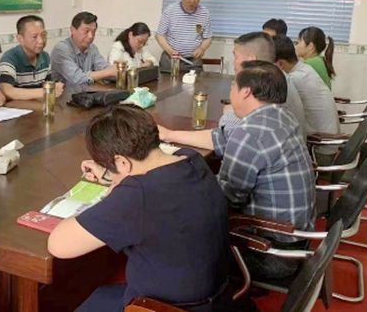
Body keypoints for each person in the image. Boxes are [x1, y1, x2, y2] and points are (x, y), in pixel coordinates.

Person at [48, 105, 232, 312]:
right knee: (102, 294)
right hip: (215, 295)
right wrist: (111, 175)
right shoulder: (192, 159)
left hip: (162, 307)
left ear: (122, 162)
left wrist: (116, 191)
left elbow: (58, 245)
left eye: (111, 167)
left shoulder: (138, 195)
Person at [158, 61, 315, 281]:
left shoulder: (251, 133)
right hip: (295, 241)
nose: (230, 92)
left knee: (172, 230)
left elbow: (225, 199)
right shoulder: (280, 116)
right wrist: (169, 135)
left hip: (270, 254)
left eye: (233, 86)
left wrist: (174, 178)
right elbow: (222, 139)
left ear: (246, 92)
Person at [220, 32, 307, 135]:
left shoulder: (265, 83)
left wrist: (230, 112)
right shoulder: (277, 76)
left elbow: (229, 131)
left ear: (251, 60)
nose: (233, 62)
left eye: (236, 56)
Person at [274, 35, 339, 135]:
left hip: (320, 139)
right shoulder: (306, 69)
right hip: (328, 133)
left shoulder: (293, 79)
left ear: (280, 64)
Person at [0, 15, 64, 100]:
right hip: (17, 107)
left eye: (43, 35)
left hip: (37, 105)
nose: (41, 41)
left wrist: (56, 87)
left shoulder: (45, 56)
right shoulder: (9, 58)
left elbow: (49, 84)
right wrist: (46, 91)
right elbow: (7, 91)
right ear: (20, 39)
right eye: (34, 37)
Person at [156, 0, 212, 73]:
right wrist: (170, 51)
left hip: (193, 61)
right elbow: (159, 35)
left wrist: (202, 48)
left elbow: (208, 38)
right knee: (165, 82)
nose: (192, 0)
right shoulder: (170, 11)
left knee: (197, 82)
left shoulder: (205, 13)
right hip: (170, 59)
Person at [51, 12, 117, 86]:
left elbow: (103, 67)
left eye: (93, 31)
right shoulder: (61, 49)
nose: (91, 36)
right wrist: (109, 72)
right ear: (72, 30)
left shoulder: (92, 48)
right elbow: (77, 79)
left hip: (86, 92)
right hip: (65, 92)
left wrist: (118, 71)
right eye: (86, 31)